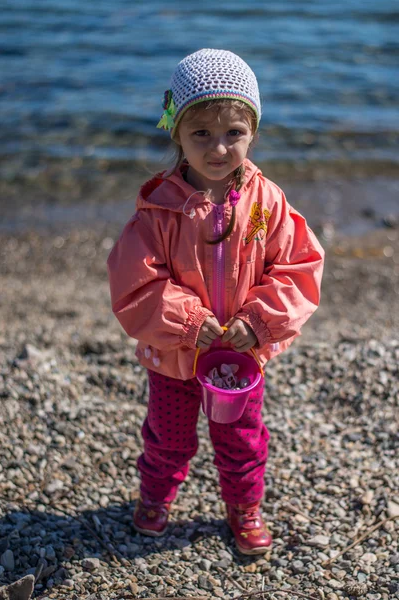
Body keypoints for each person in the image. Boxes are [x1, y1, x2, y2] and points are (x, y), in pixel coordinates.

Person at [107, 48, 324, 555]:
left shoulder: (267, 202)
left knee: (243, 439)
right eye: (201, 133)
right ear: (176, 132)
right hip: (174, 356)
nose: (219, 148)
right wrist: (186, 321)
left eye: (234, 133)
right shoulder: (159, 208)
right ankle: (156, 496)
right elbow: (134, 281)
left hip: (240, 354)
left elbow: (297, 267)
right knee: (168, 436)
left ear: (252, 133)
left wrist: (260, 321)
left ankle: (245, 506)